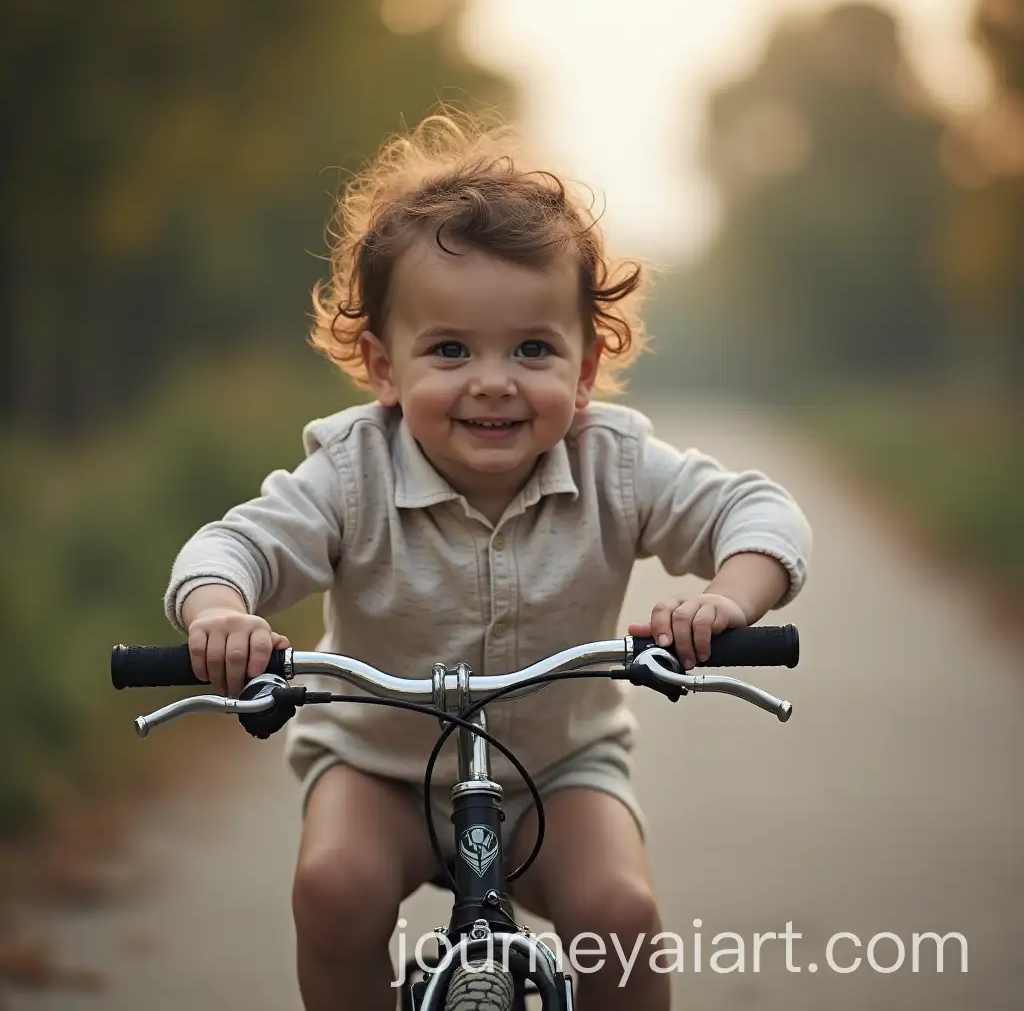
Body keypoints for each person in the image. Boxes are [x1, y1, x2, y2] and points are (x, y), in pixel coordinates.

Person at [163, 109, 812, 1011]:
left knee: (618, 913)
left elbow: (760, 514)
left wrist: (725, 602)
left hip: (561, 770)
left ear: (587, 368)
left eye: (534, 349)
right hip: (378, 768)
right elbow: (234, 545)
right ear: (382, 366)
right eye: (451, 350)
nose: (495, 380)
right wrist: (220, 613)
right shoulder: (351, 472)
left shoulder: (612, 464)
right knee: (334, 889)